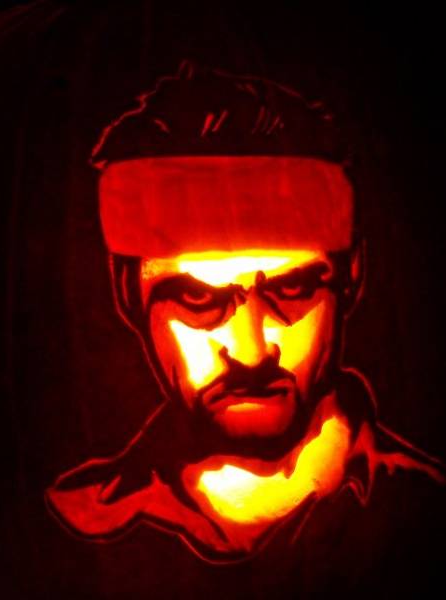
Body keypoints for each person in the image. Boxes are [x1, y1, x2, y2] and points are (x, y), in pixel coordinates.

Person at [45, 61, 444, 563]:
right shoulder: (73, 522)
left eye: (292, 288)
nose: (251, 351)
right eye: (198, 300)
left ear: (353, 276)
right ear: (127, 295)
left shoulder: (425, 509)